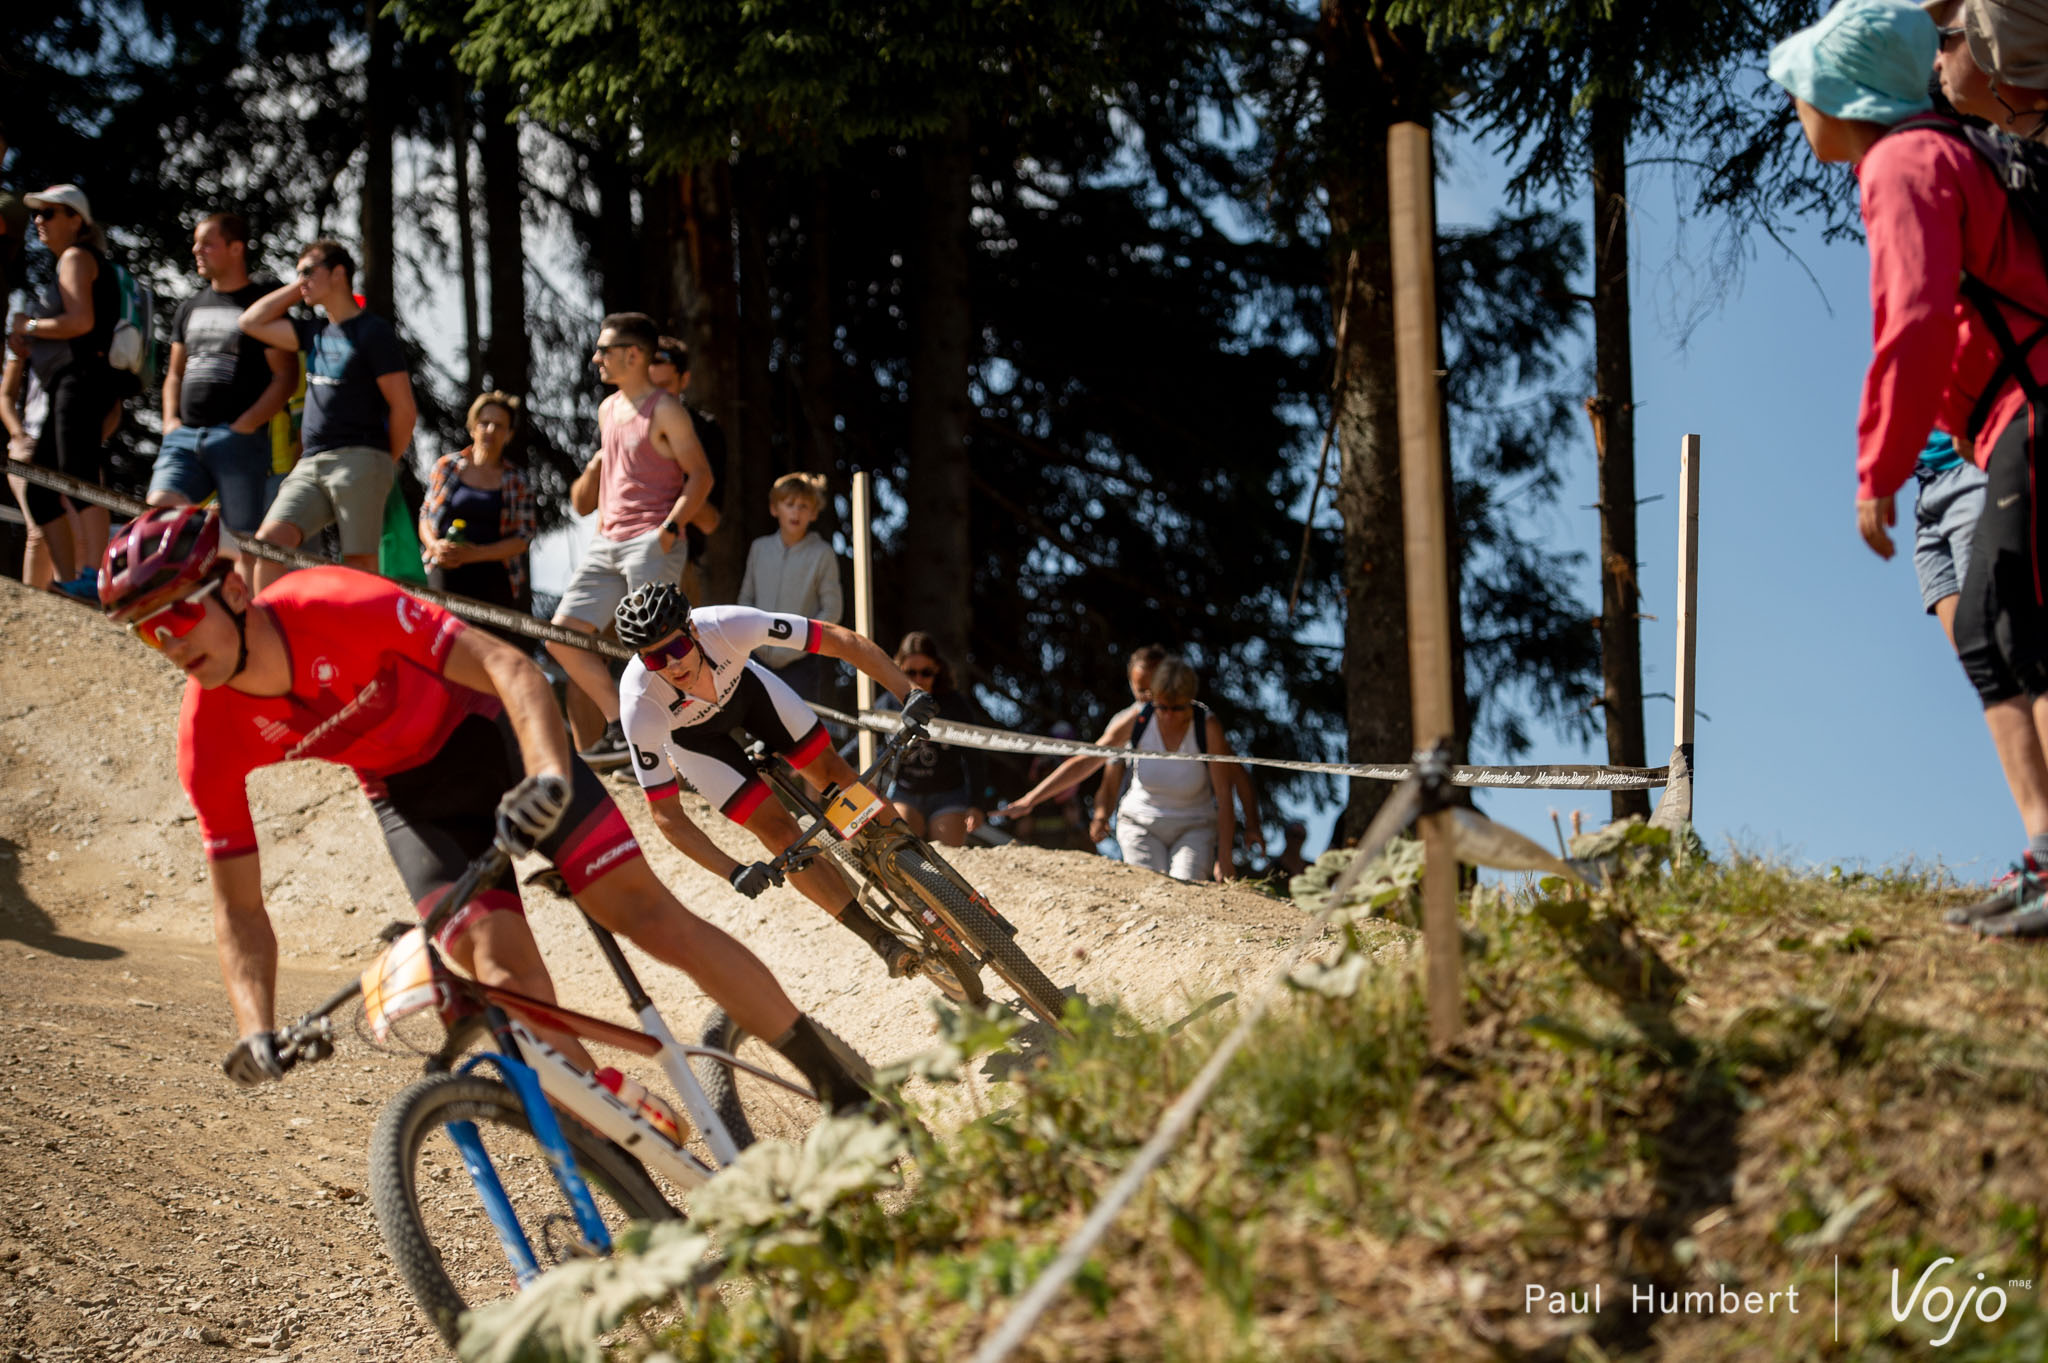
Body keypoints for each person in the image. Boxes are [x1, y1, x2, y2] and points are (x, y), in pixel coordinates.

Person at [96, 506, 869, 1111]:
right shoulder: (208, 734)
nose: (168, 642)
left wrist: (549, 776)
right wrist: (255, 1024)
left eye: (177, 615)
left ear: (233, 589)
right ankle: (634, 1162)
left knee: (647, 916)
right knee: (505, 979)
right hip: (413, 799)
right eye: (146, 632)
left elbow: (508, 667)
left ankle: (841, 1090)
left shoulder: (331, 602)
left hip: (496, 737)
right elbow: (237, 906)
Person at [1770, 0, 2048, 936]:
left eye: (1803, 92)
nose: (1798, 110)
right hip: (2014, 417)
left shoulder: (1905, 163)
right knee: (1989, 627)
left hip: (2033, 407)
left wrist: (1879, 466)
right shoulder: (1937, 152)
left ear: (1842, 96)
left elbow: (1914, 322)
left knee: (2016, 626)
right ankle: (2045, 855)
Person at [610, 581, 938, 980]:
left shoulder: (727, 625)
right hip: (695, 741)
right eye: (654, 659)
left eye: (677, 647)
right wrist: (732, 871)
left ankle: (927, 876)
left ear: (692, 630)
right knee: (781, 835)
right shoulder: (639, 704)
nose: (672, 665)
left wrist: (908, 692)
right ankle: (880, 940)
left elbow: (838, 640)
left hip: (749, 695)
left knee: (835, 775)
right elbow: (667, 816)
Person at [546, 313, 711, 766]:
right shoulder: (607, 409)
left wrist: (670, 529)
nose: (596, 358)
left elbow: (701, 476)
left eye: (605, 350)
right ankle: (622, 727)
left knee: (662, 645)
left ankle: (691, 747)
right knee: (562, 637)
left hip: (651, 540)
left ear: (633, 354)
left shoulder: (666, 409)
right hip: (606, 542)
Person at [235, 238, 416, 591]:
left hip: (361, 458)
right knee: (268, 545)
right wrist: (299, 285)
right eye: (298, 273)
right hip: (311, 464)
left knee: (360, 565)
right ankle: (264, 626)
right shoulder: (313, 330)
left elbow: (404, 408)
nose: (301, 279)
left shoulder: (374, 331)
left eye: (308, 271)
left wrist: (382, 462)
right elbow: (250, 322)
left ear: (338, 274)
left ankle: (360, 629)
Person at [150, 212, 298, 534]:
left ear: (236, 248)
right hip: (183, 437)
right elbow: (174, 374)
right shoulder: (189, 307)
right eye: (196, 244)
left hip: (239, 441)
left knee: (241, 539)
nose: (196, 251)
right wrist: (170, 423)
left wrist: (246, 425)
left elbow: (286, 375)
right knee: (159, 514)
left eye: (207, 244)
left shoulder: (261, 307)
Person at [6, 184, 121, 591]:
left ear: (76, 220)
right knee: (41, 490)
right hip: (72, 383)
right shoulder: (76, 260)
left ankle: (94, 578)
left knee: (79, 475)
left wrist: (30, 326)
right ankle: (71, 580)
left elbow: (80, 321)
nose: (39, 220)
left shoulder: (75, 257)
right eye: (36, 213)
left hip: (81, 381)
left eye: (49, 212)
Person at [416, 391, 535, 626]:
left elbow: (523, 537)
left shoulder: (517, 480)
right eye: (484, 423)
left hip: (493, 578)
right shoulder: (447, 466)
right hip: (443, 568)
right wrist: (435, 546)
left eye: (499, 426)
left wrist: (475, 554)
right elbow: (426, 516)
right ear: (472, 427)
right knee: (437, 632)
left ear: (509, 434)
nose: (490, 430)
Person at [866, 632, 991, 848]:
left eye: (926, 672)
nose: (918, 679)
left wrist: (977, 805)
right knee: (901, 848)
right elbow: (862, 743)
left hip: (949, 795)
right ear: (899, 669)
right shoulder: (887, 703)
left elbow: (975, 757)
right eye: (910, 673)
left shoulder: (955, 705)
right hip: (904, 793)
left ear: (937, 669)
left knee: (947, 854)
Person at [736, 472, 843, 704]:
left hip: (801, 663)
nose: (796, 512)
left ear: (814, 513)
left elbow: (832, 609)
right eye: (789, 504)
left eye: (804, 506)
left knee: (799, 721)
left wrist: (803, 641)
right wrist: (753, 639)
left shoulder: (822, 553)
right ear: (774, 508)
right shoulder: (759, 548)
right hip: (757, 657)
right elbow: (746, 598)